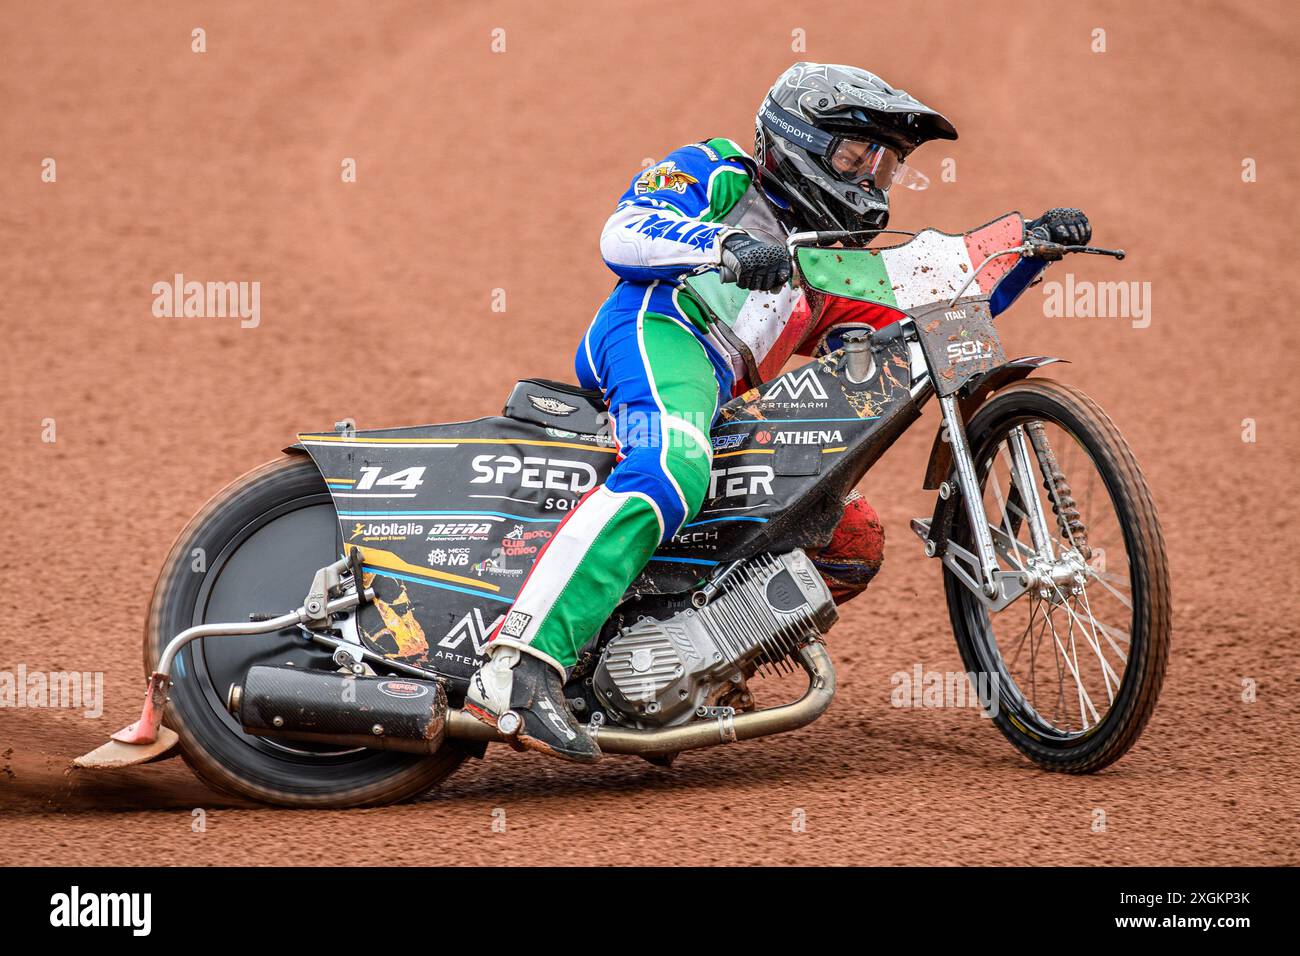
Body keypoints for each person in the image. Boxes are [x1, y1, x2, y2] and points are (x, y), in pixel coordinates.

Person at [464, 62, 1090, 761]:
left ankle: (677, 665)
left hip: (715, 390)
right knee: (672, 464)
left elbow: (936, 297)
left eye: (883, 165)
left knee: (845, 536)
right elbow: (624, 232)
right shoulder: (721, 171)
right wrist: (723, 244)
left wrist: (1028, 246)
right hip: (660, 328)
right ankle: (517, 667)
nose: (869, 177)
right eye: (855, 154)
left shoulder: (819, 273)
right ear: (798, 139)